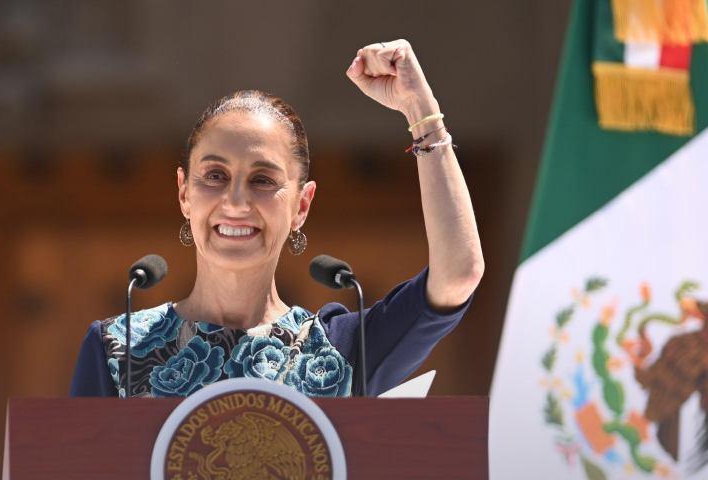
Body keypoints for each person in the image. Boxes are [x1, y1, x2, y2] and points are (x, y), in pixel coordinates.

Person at [70, 39, 484, 398]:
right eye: (215, 176)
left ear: (301, 206)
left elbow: (458, 274)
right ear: (184, 193)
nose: (235, 202)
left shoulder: (338, 350)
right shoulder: (116, 348)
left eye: (263, 180)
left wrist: (422, 114)